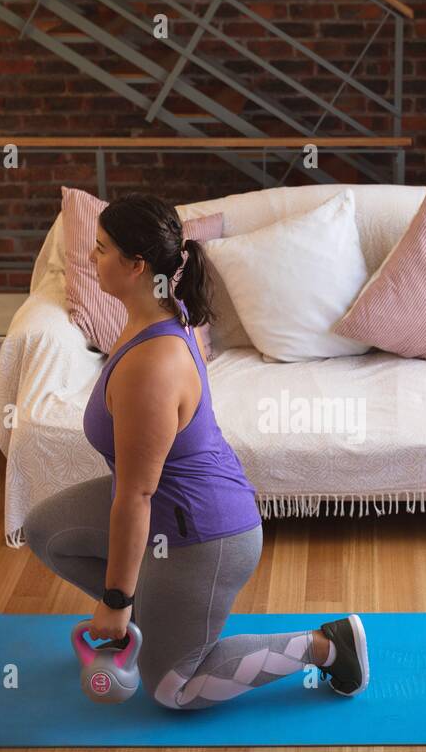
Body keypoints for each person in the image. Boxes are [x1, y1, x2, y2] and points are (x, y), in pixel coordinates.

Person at [23, 193, 369, 709]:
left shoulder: (152, 365)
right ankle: (158, 621)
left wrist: (115, 602)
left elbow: (136, 496)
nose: (90, 259)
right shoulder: (149, 313)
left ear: (136, 265)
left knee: (173, 691)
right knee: (47, 531)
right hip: (162, 508)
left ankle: (326, 646)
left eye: (100, 249)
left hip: (204, 533)